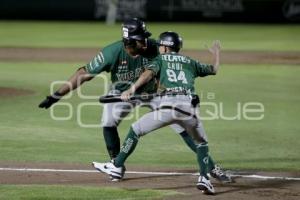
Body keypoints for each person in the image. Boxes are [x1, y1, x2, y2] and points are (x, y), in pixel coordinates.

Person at [38, 18, 228, 182]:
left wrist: (159, 90)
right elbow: (84, 74)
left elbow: (175, 71)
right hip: (123, 94)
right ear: (127, 42)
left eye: (145, 38)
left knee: (183, 127)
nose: (145, 44)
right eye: (139, 41)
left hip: (155, 95)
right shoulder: (112, 53)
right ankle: (116, 165)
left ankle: (211, 167)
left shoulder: (156, 47)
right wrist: (56, 95)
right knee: (108, 122)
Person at [92, 31, 229, 194]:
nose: (159, 48)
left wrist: (131, 89)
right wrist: (216, 54)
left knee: (135, 130)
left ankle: (116, 166)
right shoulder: (189, 61)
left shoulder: (160, 59)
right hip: (190, 108)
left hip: (169, 107)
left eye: (161, 45)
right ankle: (205, 178)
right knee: (201, 143)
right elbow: (213, 69)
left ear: (165, 47)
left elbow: (148, 74)